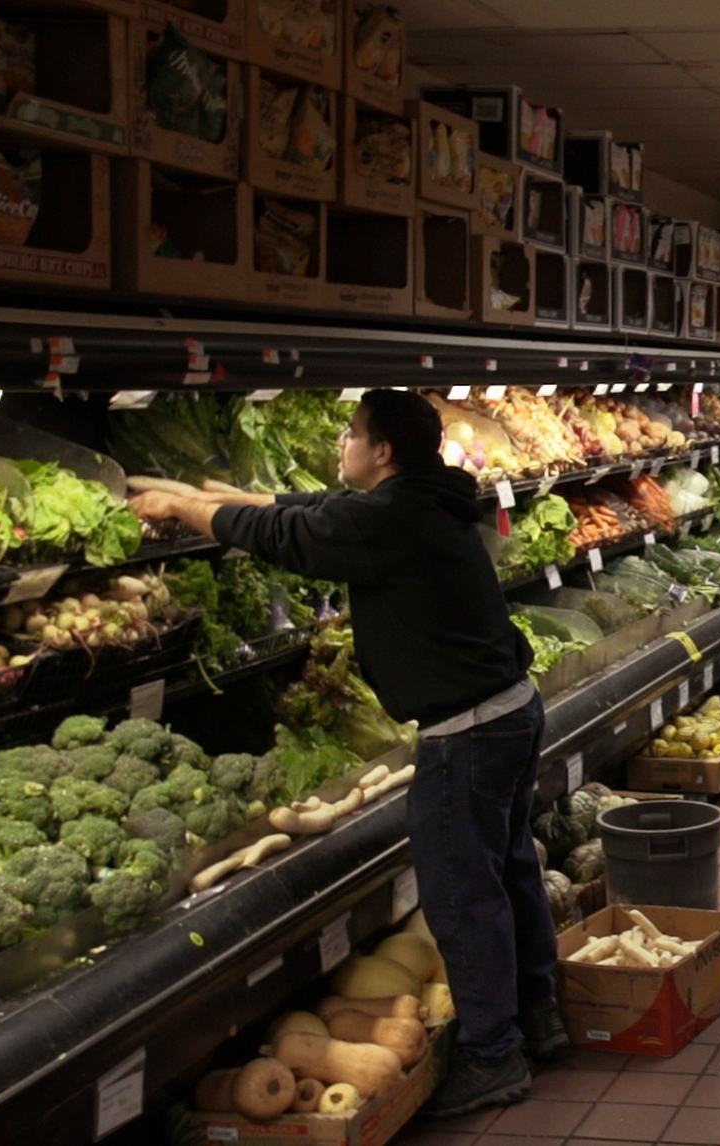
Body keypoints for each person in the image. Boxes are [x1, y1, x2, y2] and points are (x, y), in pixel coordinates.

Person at [125, 390, 562, 1118]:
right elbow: (310, 509)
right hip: (509, 712)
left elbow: (293, 537)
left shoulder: (389, 517)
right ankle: (536, 1016)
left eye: (351, 432)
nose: (341, 440)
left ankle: (493, 1057)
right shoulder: (427, 496)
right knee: (511, 870)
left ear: (382, 451)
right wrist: (230, 495)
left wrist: (184, 511)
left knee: (462, 898)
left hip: (468, 735)